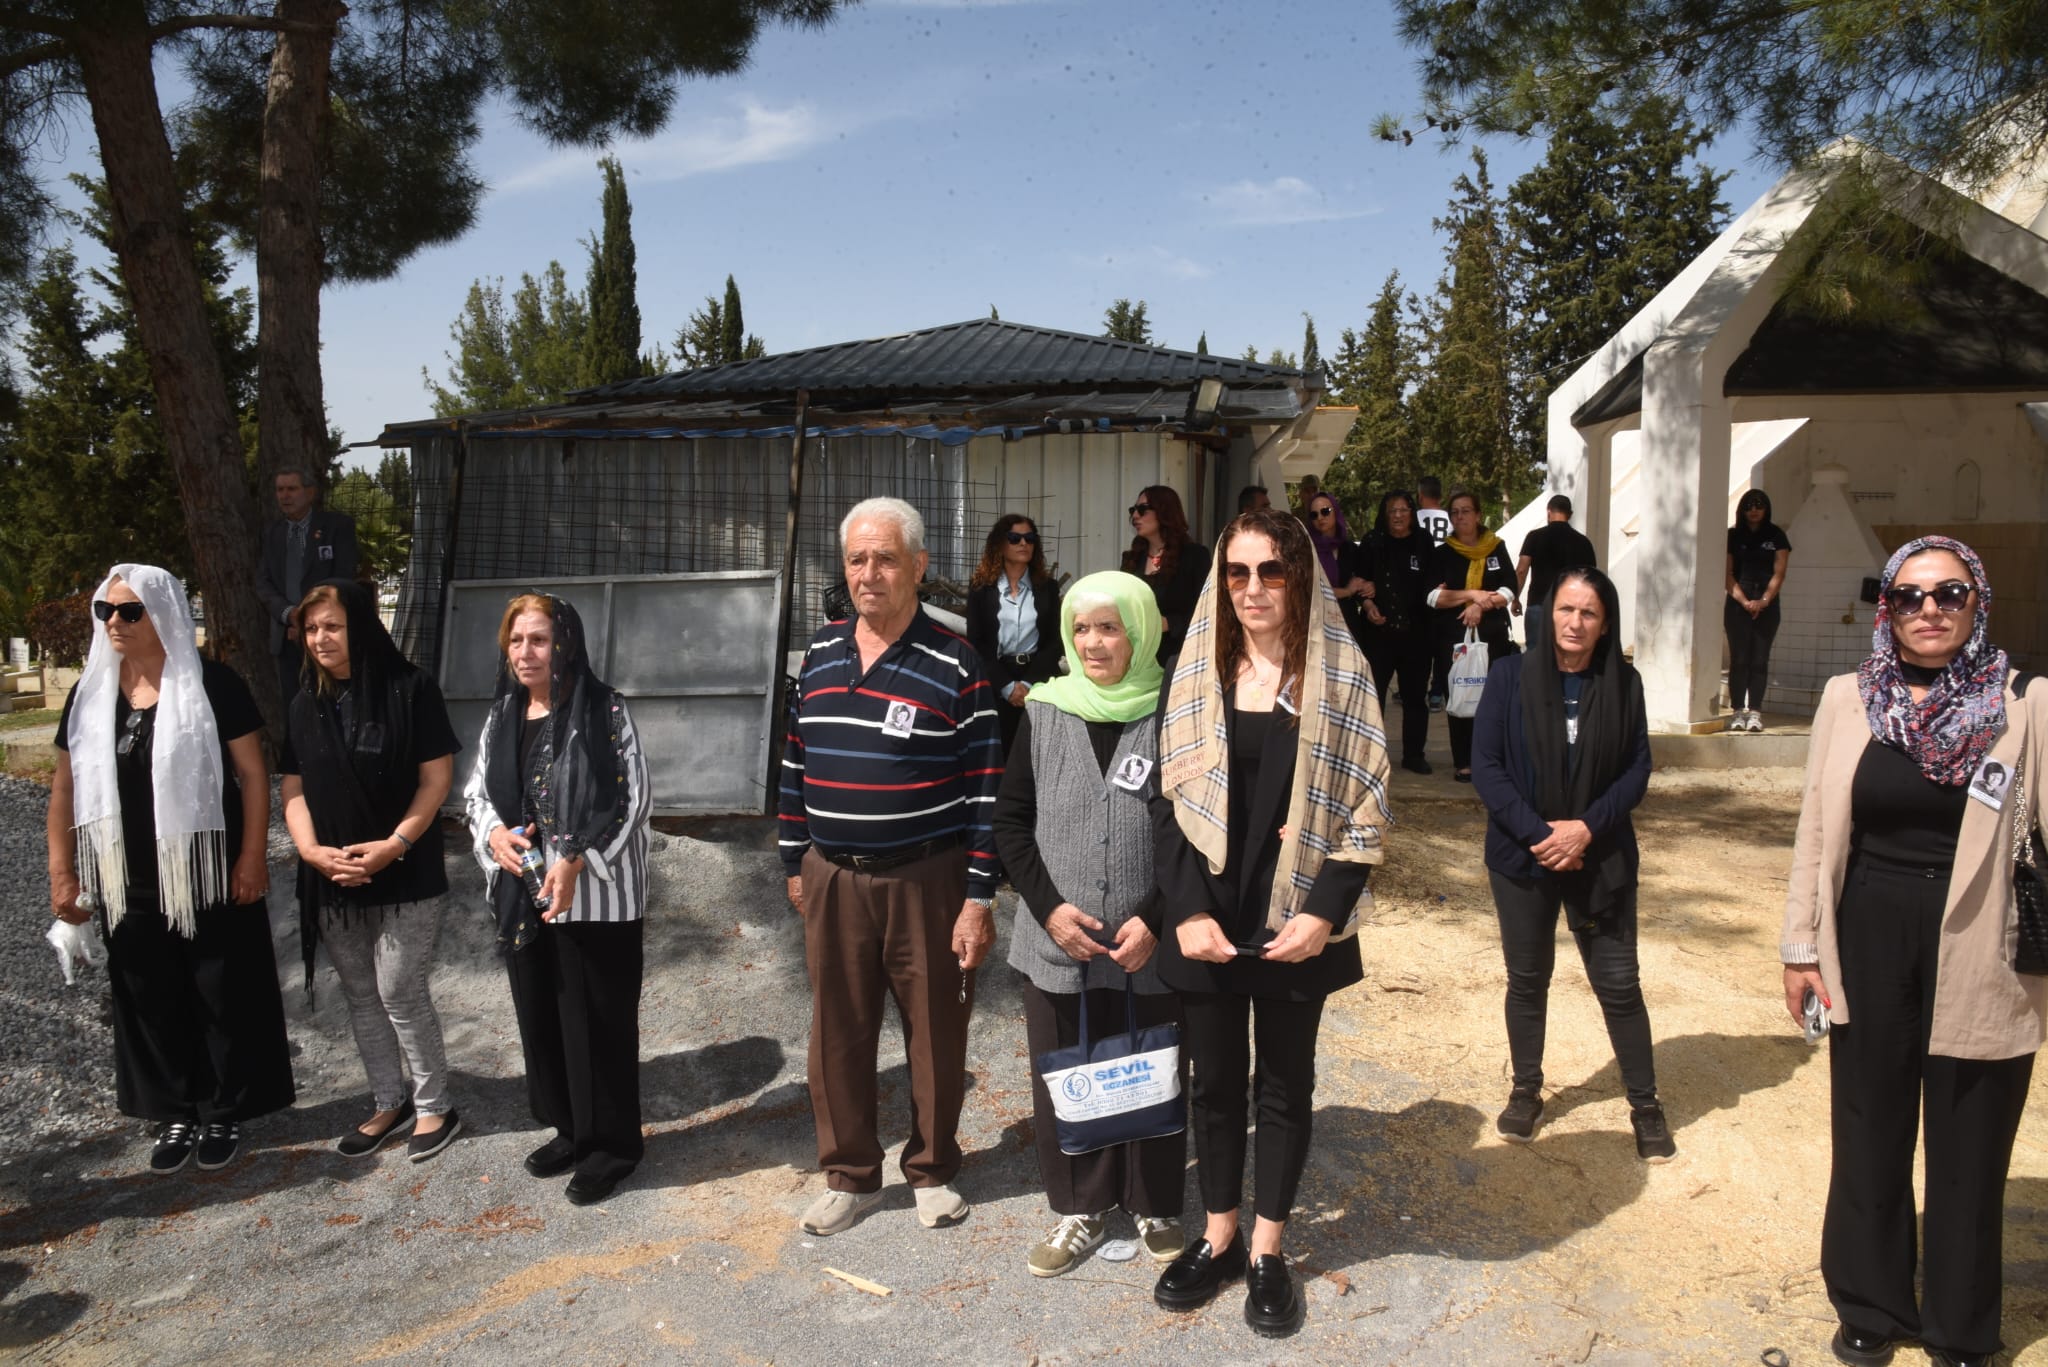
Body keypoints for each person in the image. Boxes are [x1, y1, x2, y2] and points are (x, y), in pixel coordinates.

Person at [1780, 536, 2046, 1367]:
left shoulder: (2025, 702)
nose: (1929, 609)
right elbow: (1816, 831)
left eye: (1950, 593)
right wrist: (1801, 946)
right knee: (1868, 1127)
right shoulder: (1847, 698)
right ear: (1887, 608)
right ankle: (1870, 1303)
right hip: (1868, 932)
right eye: (1909, 595)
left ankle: (1960, 1328)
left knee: (1971, 1144)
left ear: (1978, 602)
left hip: (1984, 942)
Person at [1150, 507, 1392, 1337]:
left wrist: (1324, 912)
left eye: (1271, 570)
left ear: (1300, 575)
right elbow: (1165, 801)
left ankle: (1266, 1248)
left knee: (1285, 1085)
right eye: (1237, 571)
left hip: (1295, 917)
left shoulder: (1343, 677)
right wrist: (1185, 910)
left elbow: (1367, 804)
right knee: (1215, 1083)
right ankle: (1218, 1236)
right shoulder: (1195, 673)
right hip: (1209, 919)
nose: (1252, 588)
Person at [779, 497, 1002, 1238]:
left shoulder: (958, 665)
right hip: (832, 876)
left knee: (935, 1030)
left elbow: (986, 791)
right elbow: (794, 762)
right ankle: (850, 1175)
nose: (868, 573)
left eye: (885, 558)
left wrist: (978, 898)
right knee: (836, 1032)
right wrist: (794, 860)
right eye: (857, 559)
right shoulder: (819, 654)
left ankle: (932, 1170)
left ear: (918, 566)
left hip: (926, 880)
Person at [45, 564, 292, 1175]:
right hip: (123, 875)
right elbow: (65, 787)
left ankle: (225, 1109)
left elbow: (253, 774)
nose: (115, 622)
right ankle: (175, 1109)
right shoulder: (90, 695)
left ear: (164, 615)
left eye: (130, 611)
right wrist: (62, 872)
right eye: (105, 611)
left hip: (204, 869)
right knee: (148, 995)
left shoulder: (212, 684)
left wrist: (252, 856)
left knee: (220, 992)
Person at [992, 571, 1186, 1278]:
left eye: (1109, 627)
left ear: (1141, 631)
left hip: (1149, 940)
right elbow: (1011, 823)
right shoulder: (1045, 710)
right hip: (1057, 941)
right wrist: (1048, 909)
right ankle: (1082, 1205)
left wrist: (1155, 918)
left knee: (1153, 1067)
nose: (1094, 642)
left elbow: (1194, 827)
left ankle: (1155, 1202)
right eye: (1081, 628)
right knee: (1070, 1072)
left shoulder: (1175, 710)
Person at [1469, 567, 1673, 1160]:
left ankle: (1645, 1104)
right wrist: (1541, 835)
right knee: (1527, 979)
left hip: (1600, 856)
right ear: (1547, 613)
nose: (1575, 622)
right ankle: (1525, 1091)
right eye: (1566, 609)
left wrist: (1584, 829)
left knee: (1619, 984)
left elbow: (1637, 768)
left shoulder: (1623, 683)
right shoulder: (1509, 676)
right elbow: (1487, 766)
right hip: (1522, 856)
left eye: (1589, 613)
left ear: (1605, 624)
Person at [464, 592, 653, 1205]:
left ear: (565, 645)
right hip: (525, 897)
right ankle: (571, 1130)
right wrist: (495, 835)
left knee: (598, 1023)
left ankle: (611, 1150)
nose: (526, 653)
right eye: (516, 641)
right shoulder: (503, 715)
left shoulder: (605, 709)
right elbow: (477, 795)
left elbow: (632, 800)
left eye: (539, 640)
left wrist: (575, 860)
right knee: (543, 1019)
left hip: (595, 899)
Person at [281, 579, 462, 1162]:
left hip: (405, 871)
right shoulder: (304, 703)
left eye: (332, 626)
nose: (320, 639)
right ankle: (389, 1101)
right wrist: (310, 851)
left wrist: (394, 845)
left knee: (399, 990)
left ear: (360, 626)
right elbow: (293, 788)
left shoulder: (412, 689)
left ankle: (435, 1106)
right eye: (311, 629)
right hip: (332, 877)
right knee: (362, 995)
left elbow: (436, 780)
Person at [1427, 490, 1520, 782]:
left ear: (1478, 515)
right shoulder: (1443, 553)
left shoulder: (1496, 548)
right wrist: (1471, 594)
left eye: (1466, 511)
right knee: (1460, 695)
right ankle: (1463, 761)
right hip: (1454, 637)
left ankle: (1490, 759)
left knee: (1492, 698)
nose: (1460, 517)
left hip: (1492, 637)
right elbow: (1432, 596)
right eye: (1454, 512)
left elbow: (1510, 588)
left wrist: (1480, 605)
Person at [257, 465, 360, 714]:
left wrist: (307, 621)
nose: (285, 496)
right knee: (295, 710)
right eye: (280, 490)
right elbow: (263, 582)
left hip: (327, 637)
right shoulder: (272, 533)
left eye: (292, 489)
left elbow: (342, 578)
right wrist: (289, 614)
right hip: (287, 639)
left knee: (333, 707)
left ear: (310, 492)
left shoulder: (337, 527)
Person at [965, 514, 1062, 756]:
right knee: (997, 755)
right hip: (996, 680)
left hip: (1038, 681)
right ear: (1000, 543)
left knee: (1038, 755)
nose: (1024, 543)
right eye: (1015, 538)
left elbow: (1055, 641)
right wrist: (1007, 686)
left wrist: (1029, 683)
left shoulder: (1048, 588)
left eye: (1029, 538)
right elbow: (976, 642)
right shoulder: (981, 589)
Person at [1360, 490, 1435, 774]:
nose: (1398, 515)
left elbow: (1432, 582)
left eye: (1404, 510)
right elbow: (1360, 582)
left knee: (1415, 697)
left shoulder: (1424, 541)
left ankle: (1414, 755)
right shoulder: (1372, 541)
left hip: (1417, 634)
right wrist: (1368, 604)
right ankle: (1371, 757)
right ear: (1384, 514)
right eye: (1392, 510)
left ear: (1412, 513)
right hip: (1379, 633)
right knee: (1373, 696)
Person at [1725, 488, 1791, 733]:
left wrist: (1764, 600)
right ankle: (1737, 711)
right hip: (1737, 603)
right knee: (1739, 658)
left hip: (1767, 606)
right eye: (1749, 506)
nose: (1754, 510)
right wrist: (1744, 601)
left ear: (1766, 509)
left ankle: (1755, 712)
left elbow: (1779, 573)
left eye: (1759, 505)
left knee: (1759, 659)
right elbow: (1727, 573)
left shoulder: (1776, 535)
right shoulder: (1732, 535)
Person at [1122, 485, 1211, 663]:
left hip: (1178, 656)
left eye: (1143, 509)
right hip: (1138, 655)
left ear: (1165, 512)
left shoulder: (1194, 556)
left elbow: (1206, 609)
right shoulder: (1132, 558)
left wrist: (1169, 623)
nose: (1135, 516)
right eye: (1133, 510)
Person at [1302, 491, 1371, 646]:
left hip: (1348, 624)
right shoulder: (1306, 550)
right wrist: (1347, 591)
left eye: (1325, 511)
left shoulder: (1350, 549)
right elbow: (1313, 590)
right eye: (1314, 515)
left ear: (1336, 511)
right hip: (1318, 625)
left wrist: (1369, 586)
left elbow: (1360, 582)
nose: (1320, 518)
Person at [1516, 494, 1599, 609]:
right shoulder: (1583, 542)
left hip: (1539, 603)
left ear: (1548, 512)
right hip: (1570, 607)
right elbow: (1591, 576)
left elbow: (1521, 571)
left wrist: (1515, 598)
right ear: (1570, 515)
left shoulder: (1534, 536)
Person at [1414, 476, 1452, 710]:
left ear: (1420, 496)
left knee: (1420, 643)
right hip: (1444, 586)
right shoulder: (1451, 518)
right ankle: (1437, 692)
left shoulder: (1414, 518)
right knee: (1440, 645)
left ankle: (1415, 688)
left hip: (1420, 585)